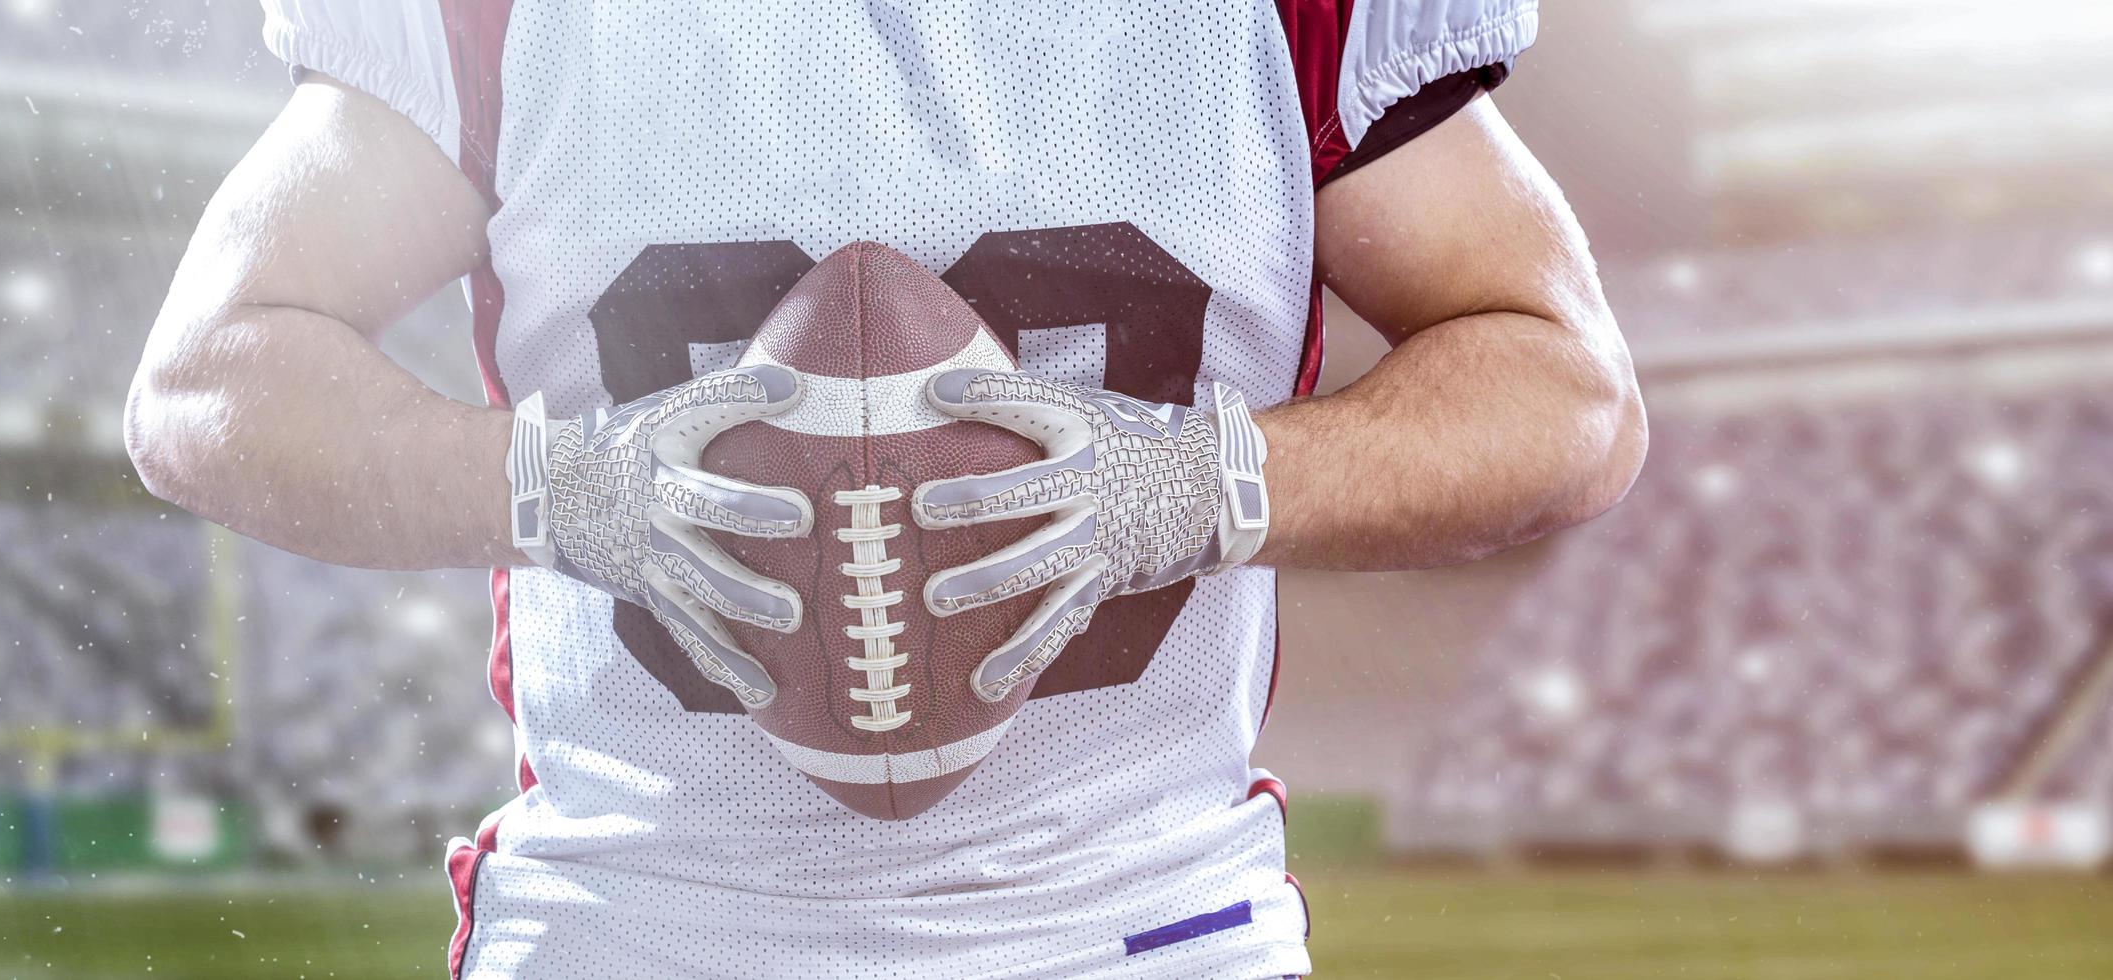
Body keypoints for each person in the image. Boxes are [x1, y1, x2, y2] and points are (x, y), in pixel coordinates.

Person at [125, 1, 1643, 975]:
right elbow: (206, 381)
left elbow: (1565, 389)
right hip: (639, 927)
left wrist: (1202, 482)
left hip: (1138, 930)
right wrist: (555, 485)